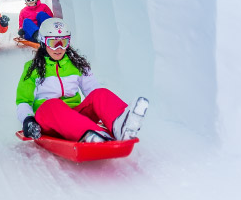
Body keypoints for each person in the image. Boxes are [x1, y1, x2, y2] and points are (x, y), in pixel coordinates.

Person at [16, 17, 149, 143]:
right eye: (53, 43)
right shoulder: (32, 68)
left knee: (100, 93)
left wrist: (107, 110)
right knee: (52, 105)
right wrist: (28, 120)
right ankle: (92, 134)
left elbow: (93, 90)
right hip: (49, 121)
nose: (59, 48)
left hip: (76, 117)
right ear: (43, 42)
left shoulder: (76, 64)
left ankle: (120, 124)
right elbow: (23, 101)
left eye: (64, 42)